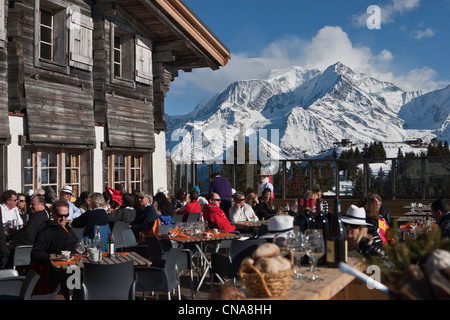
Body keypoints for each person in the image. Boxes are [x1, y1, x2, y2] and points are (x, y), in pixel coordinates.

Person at [30, 200, 79, 297]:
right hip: (58, 273)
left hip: (73, 268)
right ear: (53, 214)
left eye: (66, 215)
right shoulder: (46, 231)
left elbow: (76, 243)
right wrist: (54, 259)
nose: (63, 218)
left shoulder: (67, 228)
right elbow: (35, 254)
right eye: (60, 215)